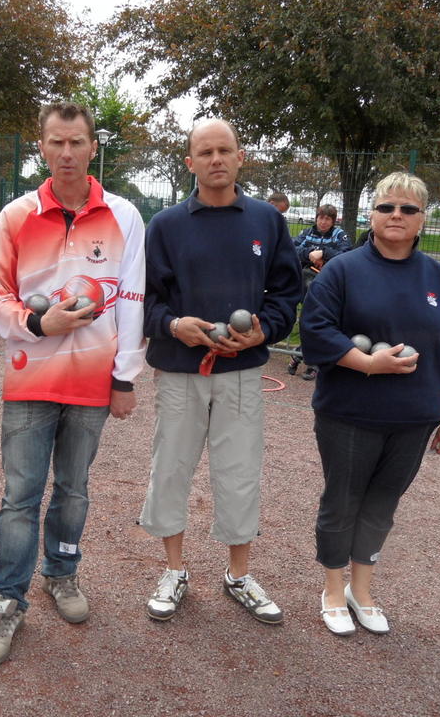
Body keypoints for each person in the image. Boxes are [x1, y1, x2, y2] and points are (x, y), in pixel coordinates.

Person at [0, 102, 146, 666]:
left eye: (77, 142)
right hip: (30, 379)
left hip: (94, 383)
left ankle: (63, 574)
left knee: (73, 490)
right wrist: (33, 322)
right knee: (19, 496)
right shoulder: (16, 214)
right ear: (42, 148)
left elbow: (132, 300)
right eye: (56, 143)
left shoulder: (124, 215)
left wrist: (125, 378)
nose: (67, 153)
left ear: (94, 147)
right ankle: (8, 598)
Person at [298, 172, 440, 636]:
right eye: (386, 208)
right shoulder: (343, 270)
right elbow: (316, 330)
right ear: (372, 216)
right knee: (343, 501)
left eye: (408, 209)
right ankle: (333, 589)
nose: (396, 215)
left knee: (382, 504)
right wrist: (367, 364)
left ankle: (363, 589)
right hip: (349, 414)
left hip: (415, 419)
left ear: (421, 220)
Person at [139, 118, 301, 625]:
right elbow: (142, 303)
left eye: (223, 150)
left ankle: (238, 574)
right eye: (204, 152)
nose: (215, 159)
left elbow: (287, 295)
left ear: (239, 157)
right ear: (189, 162)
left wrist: (263, 332)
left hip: (241, 373)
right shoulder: (164, 226)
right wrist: (172, 325)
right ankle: (174, 570)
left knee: (239, 473)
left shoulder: (266, 222)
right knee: (171, 469)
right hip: (181, 372)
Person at [287, 204, 352, 380]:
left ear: (333, 221)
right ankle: (306, 357)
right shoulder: (306, 233)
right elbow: (291, 249)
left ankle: (303, 357)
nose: (323, 222)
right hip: (305, 280)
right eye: (321, 218)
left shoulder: (339, 235)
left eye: (328, 219)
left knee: (317, 319)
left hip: (328, 283)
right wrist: (309, 254)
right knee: (312, 318)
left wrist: (323, 253)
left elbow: (345, 254)